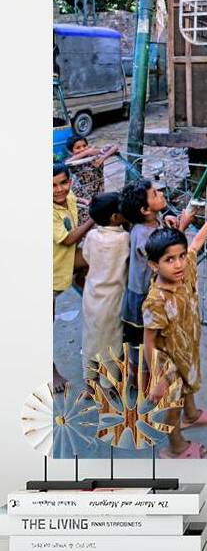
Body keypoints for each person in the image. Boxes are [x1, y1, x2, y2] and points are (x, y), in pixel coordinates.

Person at [142, 200, 207, 459]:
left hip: (187, 347)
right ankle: (175, 447)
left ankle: (191, 416)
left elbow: (195, 245)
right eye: (169, 260)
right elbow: (149, 341)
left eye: (180, 257)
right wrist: (158, 378)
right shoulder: (155, 301)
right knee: (173, 406)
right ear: (154, 265)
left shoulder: (185, 271)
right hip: (168, 362)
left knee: (189, 382)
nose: (179, 264)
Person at [119, 178, 191, 362]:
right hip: (142, 296)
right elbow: (168, 254)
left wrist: (165, 221)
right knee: (142, 344)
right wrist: (182, 227)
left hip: (147, 291)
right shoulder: (144, 235)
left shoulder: (148, 223)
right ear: (145, 210)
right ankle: (142, 374)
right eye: (155, 194)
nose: (161, 193)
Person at [52, 163, 95, 391]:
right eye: (53, 186)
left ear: (70, 182)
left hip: (67, 261)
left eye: (63, 183)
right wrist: (93, 219)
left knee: (96, 255)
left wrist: (89, 203)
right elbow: (68, 239)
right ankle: (51, 370)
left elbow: (76, 199)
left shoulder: (68, 197)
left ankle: (82, 282)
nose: (59, 189)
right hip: (51, 272)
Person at [81, 192, 130, 390]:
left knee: (91, 336)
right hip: (112, 299)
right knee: (110, 342)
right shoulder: (124, 238)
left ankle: (89, 377)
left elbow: (87, 256)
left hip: (91, 294)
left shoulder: (92, 236)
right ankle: (107, 384)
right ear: (115, 217)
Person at [65, 135, 120, 223]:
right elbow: (66, 163)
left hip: (98, 191)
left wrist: (102, 158)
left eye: (84, 145)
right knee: (85, 217)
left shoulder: (95, 156)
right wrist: (87, 152)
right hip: (83, 194)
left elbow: (115, 147)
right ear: (71, 152)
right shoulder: (74, 161)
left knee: (101, 215)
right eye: (78, 148)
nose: (82, 149)